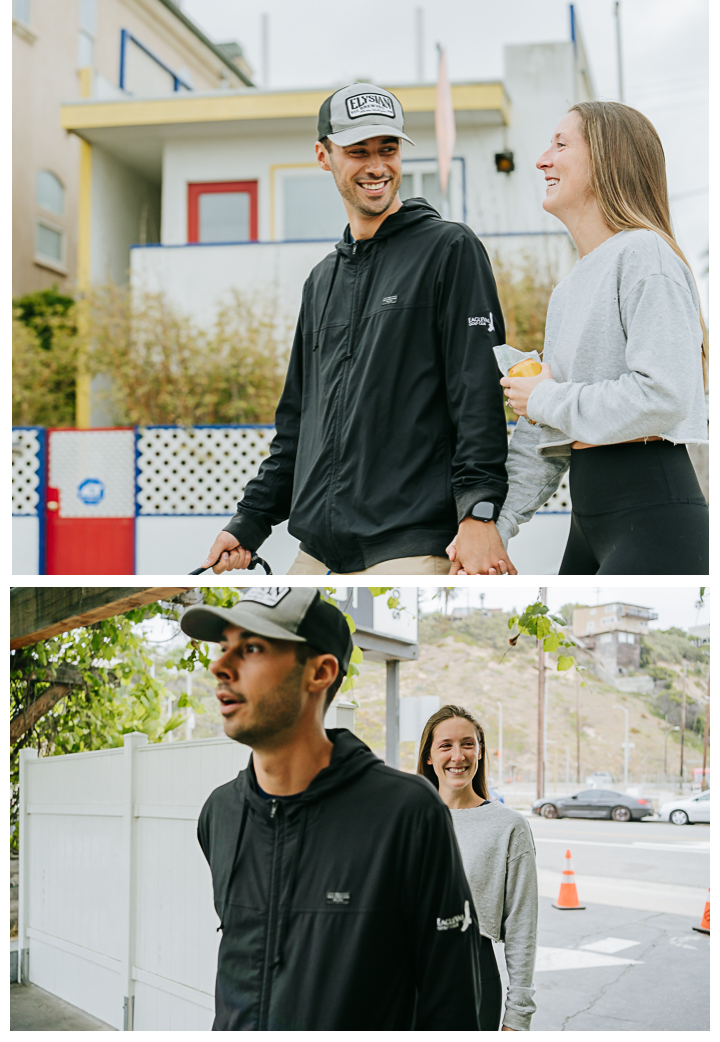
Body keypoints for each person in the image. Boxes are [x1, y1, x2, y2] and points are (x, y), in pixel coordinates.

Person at [200, 82, 515, 576]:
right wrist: (250, 521)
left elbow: (477, 394)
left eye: (387, 149)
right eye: (357, 151)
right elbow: (297, 423)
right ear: (324, 156)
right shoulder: (321, 280)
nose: (376, 166)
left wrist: (478, 511)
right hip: (318, 551)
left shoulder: (449, 250)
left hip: (409, 544)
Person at [181, 588, 484, 1030]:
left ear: (320, 672)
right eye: (224, 647)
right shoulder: (220, 813)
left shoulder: (408, 812)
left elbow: (451, 1005)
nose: (219, 666)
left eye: (250, 648)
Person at [450, 100, 708, 575]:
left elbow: (664, 395)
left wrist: (546, 397)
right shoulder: (568, 289)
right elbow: (546, 433)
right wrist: (493, 530)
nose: (542, 159)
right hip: (589, 518)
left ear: (608, 160)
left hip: (653, 514)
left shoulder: (646, 255)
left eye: (560, 144)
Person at [418, 704, 538, 1032]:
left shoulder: (508, 825)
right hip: (405, 980)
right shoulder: (406, 819)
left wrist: (518, 1017)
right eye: (446, 745)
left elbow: (522, 928)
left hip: (473, 979)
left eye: (467, 744)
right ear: (429, 756)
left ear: (480, 752)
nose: (458, 755)